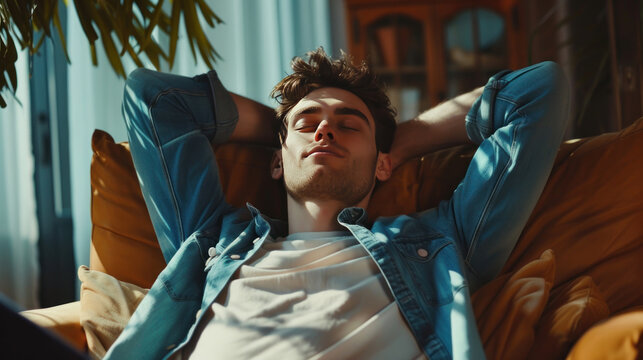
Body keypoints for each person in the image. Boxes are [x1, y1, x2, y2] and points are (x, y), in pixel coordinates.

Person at [107, 48, 569, 359]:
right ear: (275, 161)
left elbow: (538, 92)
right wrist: (280, 127)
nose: (325, 129)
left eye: (349, 124)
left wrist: (402, 141)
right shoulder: (212, 239)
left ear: (382, 165)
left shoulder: (442, 244)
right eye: (310, 123)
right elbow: (153, 98)